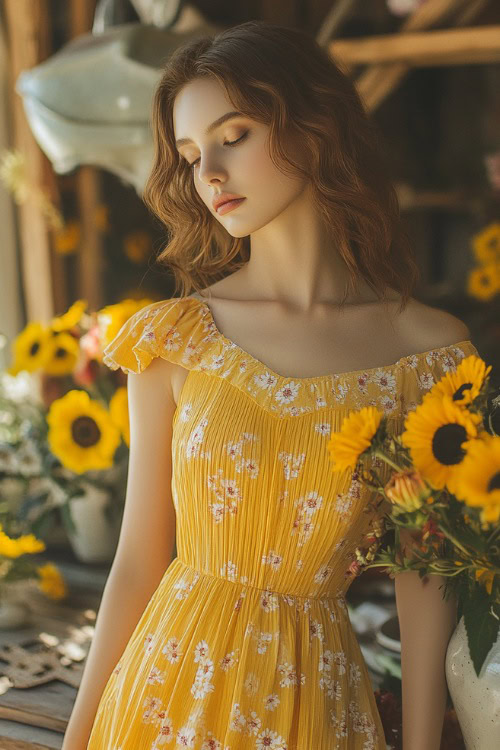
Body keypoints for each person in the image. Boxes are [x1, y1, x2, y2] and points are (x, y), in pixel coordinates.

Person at [62, 20, 477, 750]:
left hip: (313, 705)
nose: (210, 173)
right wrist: (77, 739)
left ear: (312, 128)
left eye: (235, 134)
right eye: (191, 156)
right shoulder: (176, 336)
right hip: (165, 698)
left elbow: (427, 574)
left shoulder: (433, 354)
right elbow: (137, 562)